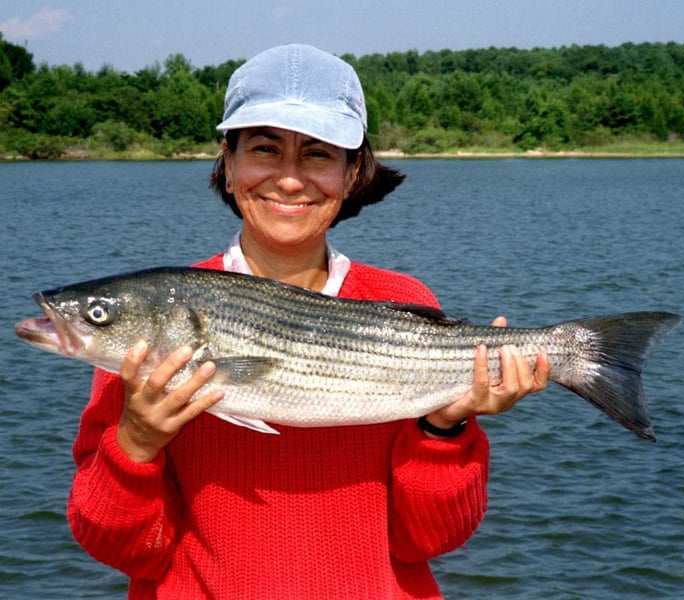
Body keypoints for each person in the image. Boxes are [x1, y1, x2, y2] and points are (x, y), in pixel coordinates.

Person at [67, 44, 550, 599]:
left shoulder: (401, 298)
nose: (290, 180)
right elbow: (123, 550)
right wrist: (136, 441)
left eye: (318, 154)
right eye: (265, 149)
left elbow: (428, 540)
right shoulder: (155, 314)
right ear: (227, 164)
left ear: (352, 175)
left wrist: (444, 428)